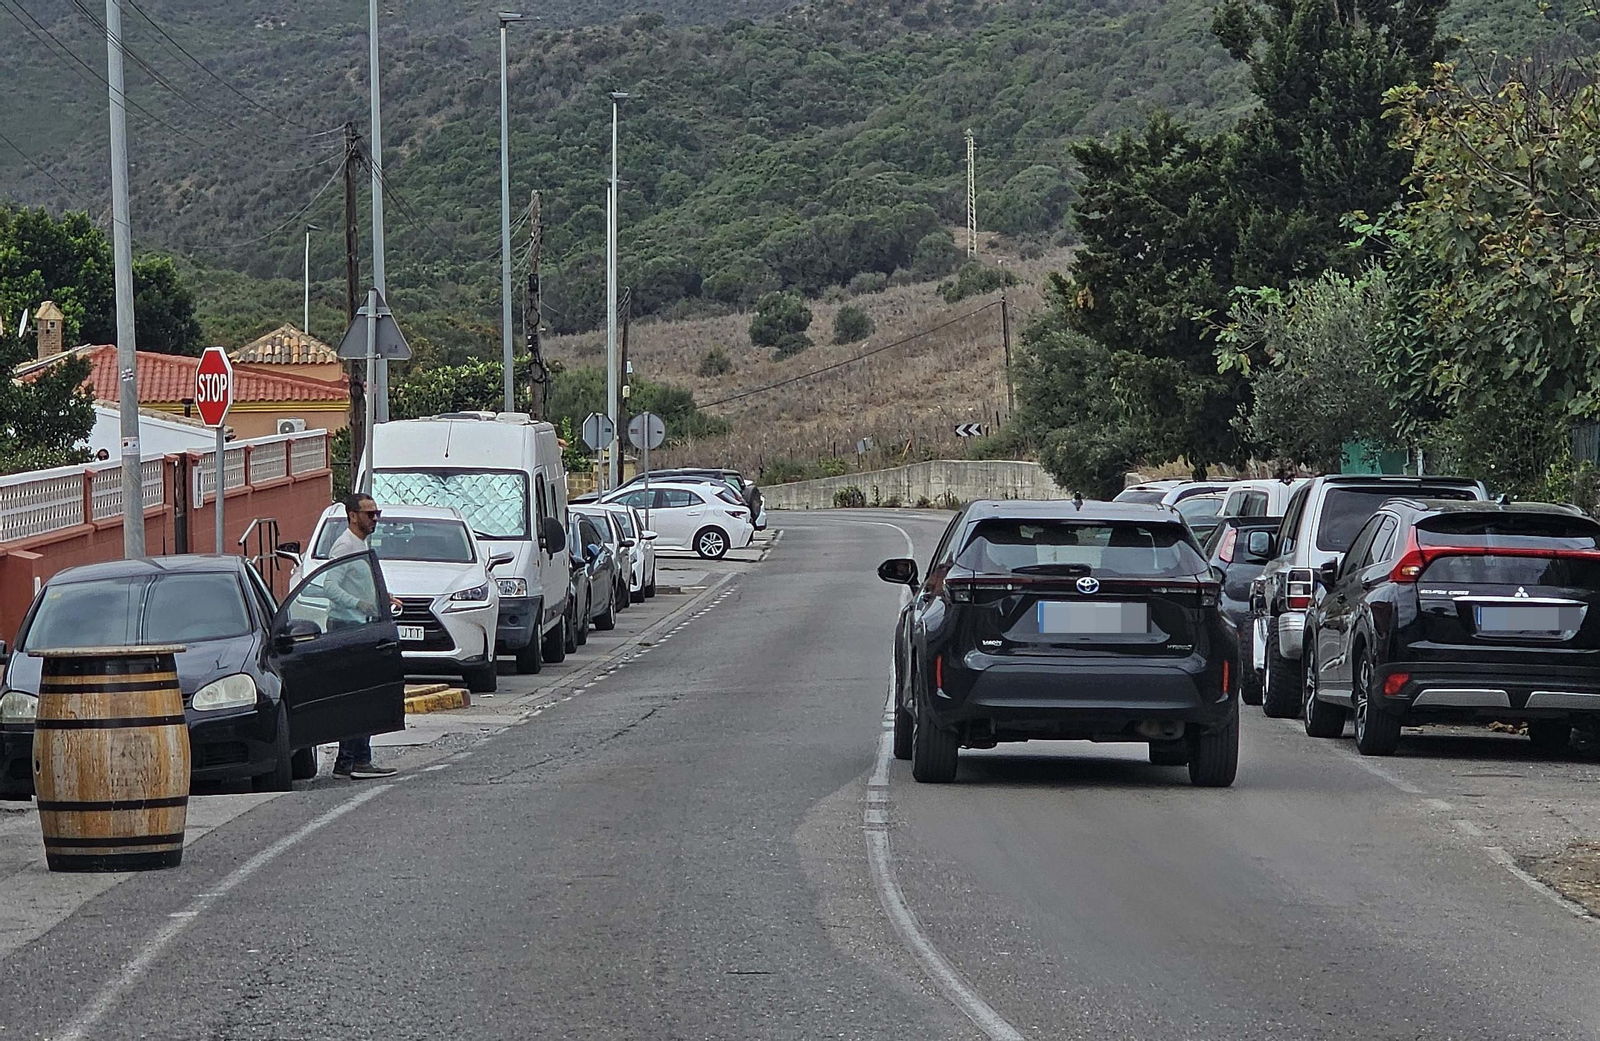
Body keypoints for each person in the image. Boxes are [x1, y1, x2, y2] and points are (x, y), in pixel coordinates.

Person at [326, 492, 400, 780]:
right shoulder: (345, 545)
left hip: (362, 626)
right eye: (370, 514)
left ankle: (354, 760)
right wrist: (359, 604)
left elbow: (358, 583)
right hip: (347, 627)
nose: (375, 519)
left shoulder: (360, 543)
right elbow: (330, 586)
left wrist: (383, 598)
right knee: (358, 696)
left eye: (376, 513)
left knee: (363, 695)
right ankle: (353, 761)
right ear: (352, 516)